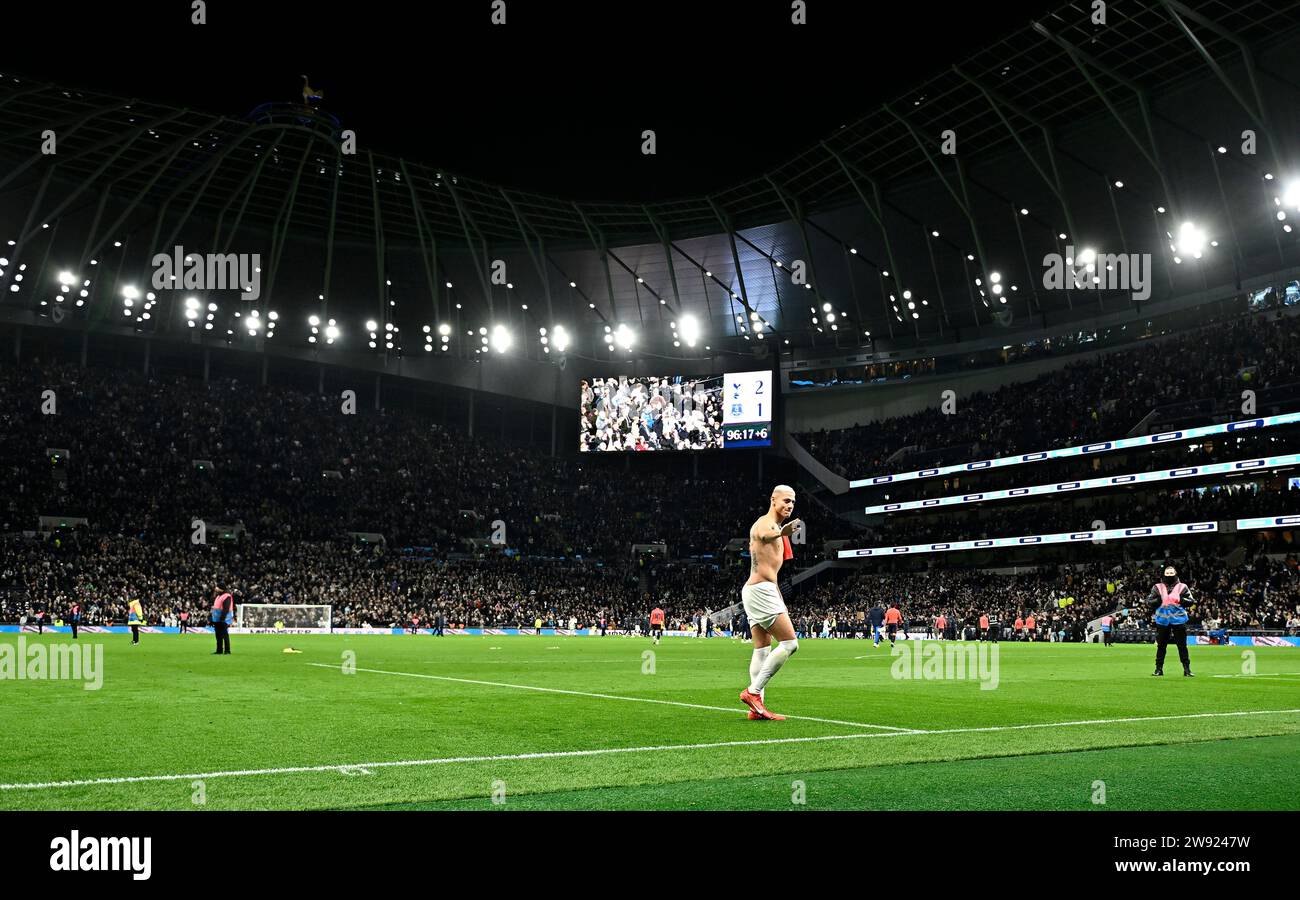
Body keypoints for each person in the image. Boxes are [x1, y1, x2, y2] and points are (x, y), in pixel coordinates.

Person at [739, 485, 802, 721]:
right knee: (790, 644)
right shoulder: (766, 523)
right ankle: (753, 693)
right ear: (773, 499)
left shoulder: (777, 529)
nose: (790, 505)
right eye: (786, 500)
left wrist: (780, 600)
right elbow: (762, 534)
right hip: (760, 591)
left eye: (793, 502)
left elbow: (773, 572)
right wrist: (780, 533)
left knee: (762, 649)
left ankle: (757, 708)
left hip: (760, 590)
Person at [1148, 565, 1195, 676]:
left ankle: (1187, 669)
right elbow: (1149, 601)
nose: (1169, 575)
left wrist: (1181, 600)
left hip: (1179, 620)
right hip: (1162, 621)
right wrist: (1158, 600)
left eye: (1171, 573)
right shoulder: (1157, 587)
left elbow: (1191, 601)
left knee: (1182, 646)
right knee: (1161, 646)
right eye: (1167, 573)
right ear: (1164, 574)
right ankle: (1158, 669)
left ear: (1175, 574)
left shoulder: (1182, 587)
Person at [211, 587, 233, 655]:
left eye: (217, 588)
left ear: (221, 588)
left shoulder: (227, 596)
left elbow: (226, 608)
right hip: (217, 619)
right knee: (218, 635)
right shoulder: (218, 596)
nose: (216, 589)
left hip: (223, 619)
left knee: (224, 635)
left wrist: (222, 618)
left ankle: (227, 651)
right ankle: (219, 650)